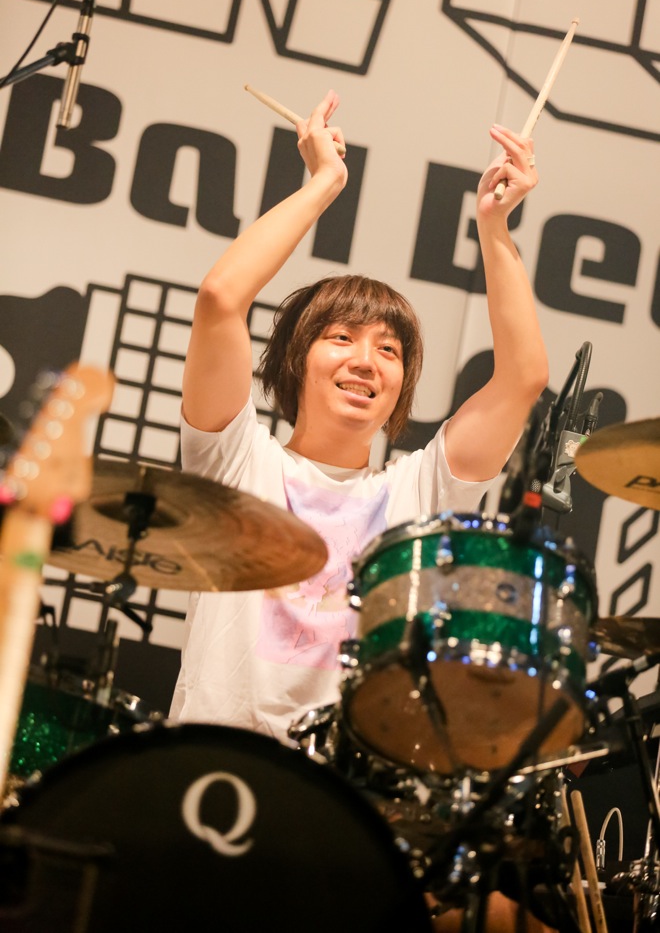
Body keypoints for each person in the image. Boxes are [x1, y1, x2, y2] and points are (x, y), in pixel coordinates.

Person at [171, 90, 554, 931]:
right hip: (211, 794)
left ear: (401, 386)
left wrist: (495, 229)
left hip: (348, 820)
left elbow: (524, 376)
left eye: (389, 348)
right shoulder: (237, 459)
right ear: (295, 361)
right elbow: (221, 297)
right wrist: (321, 184)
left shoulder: (418, 488)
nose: (366, 359)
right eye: (340, 337)